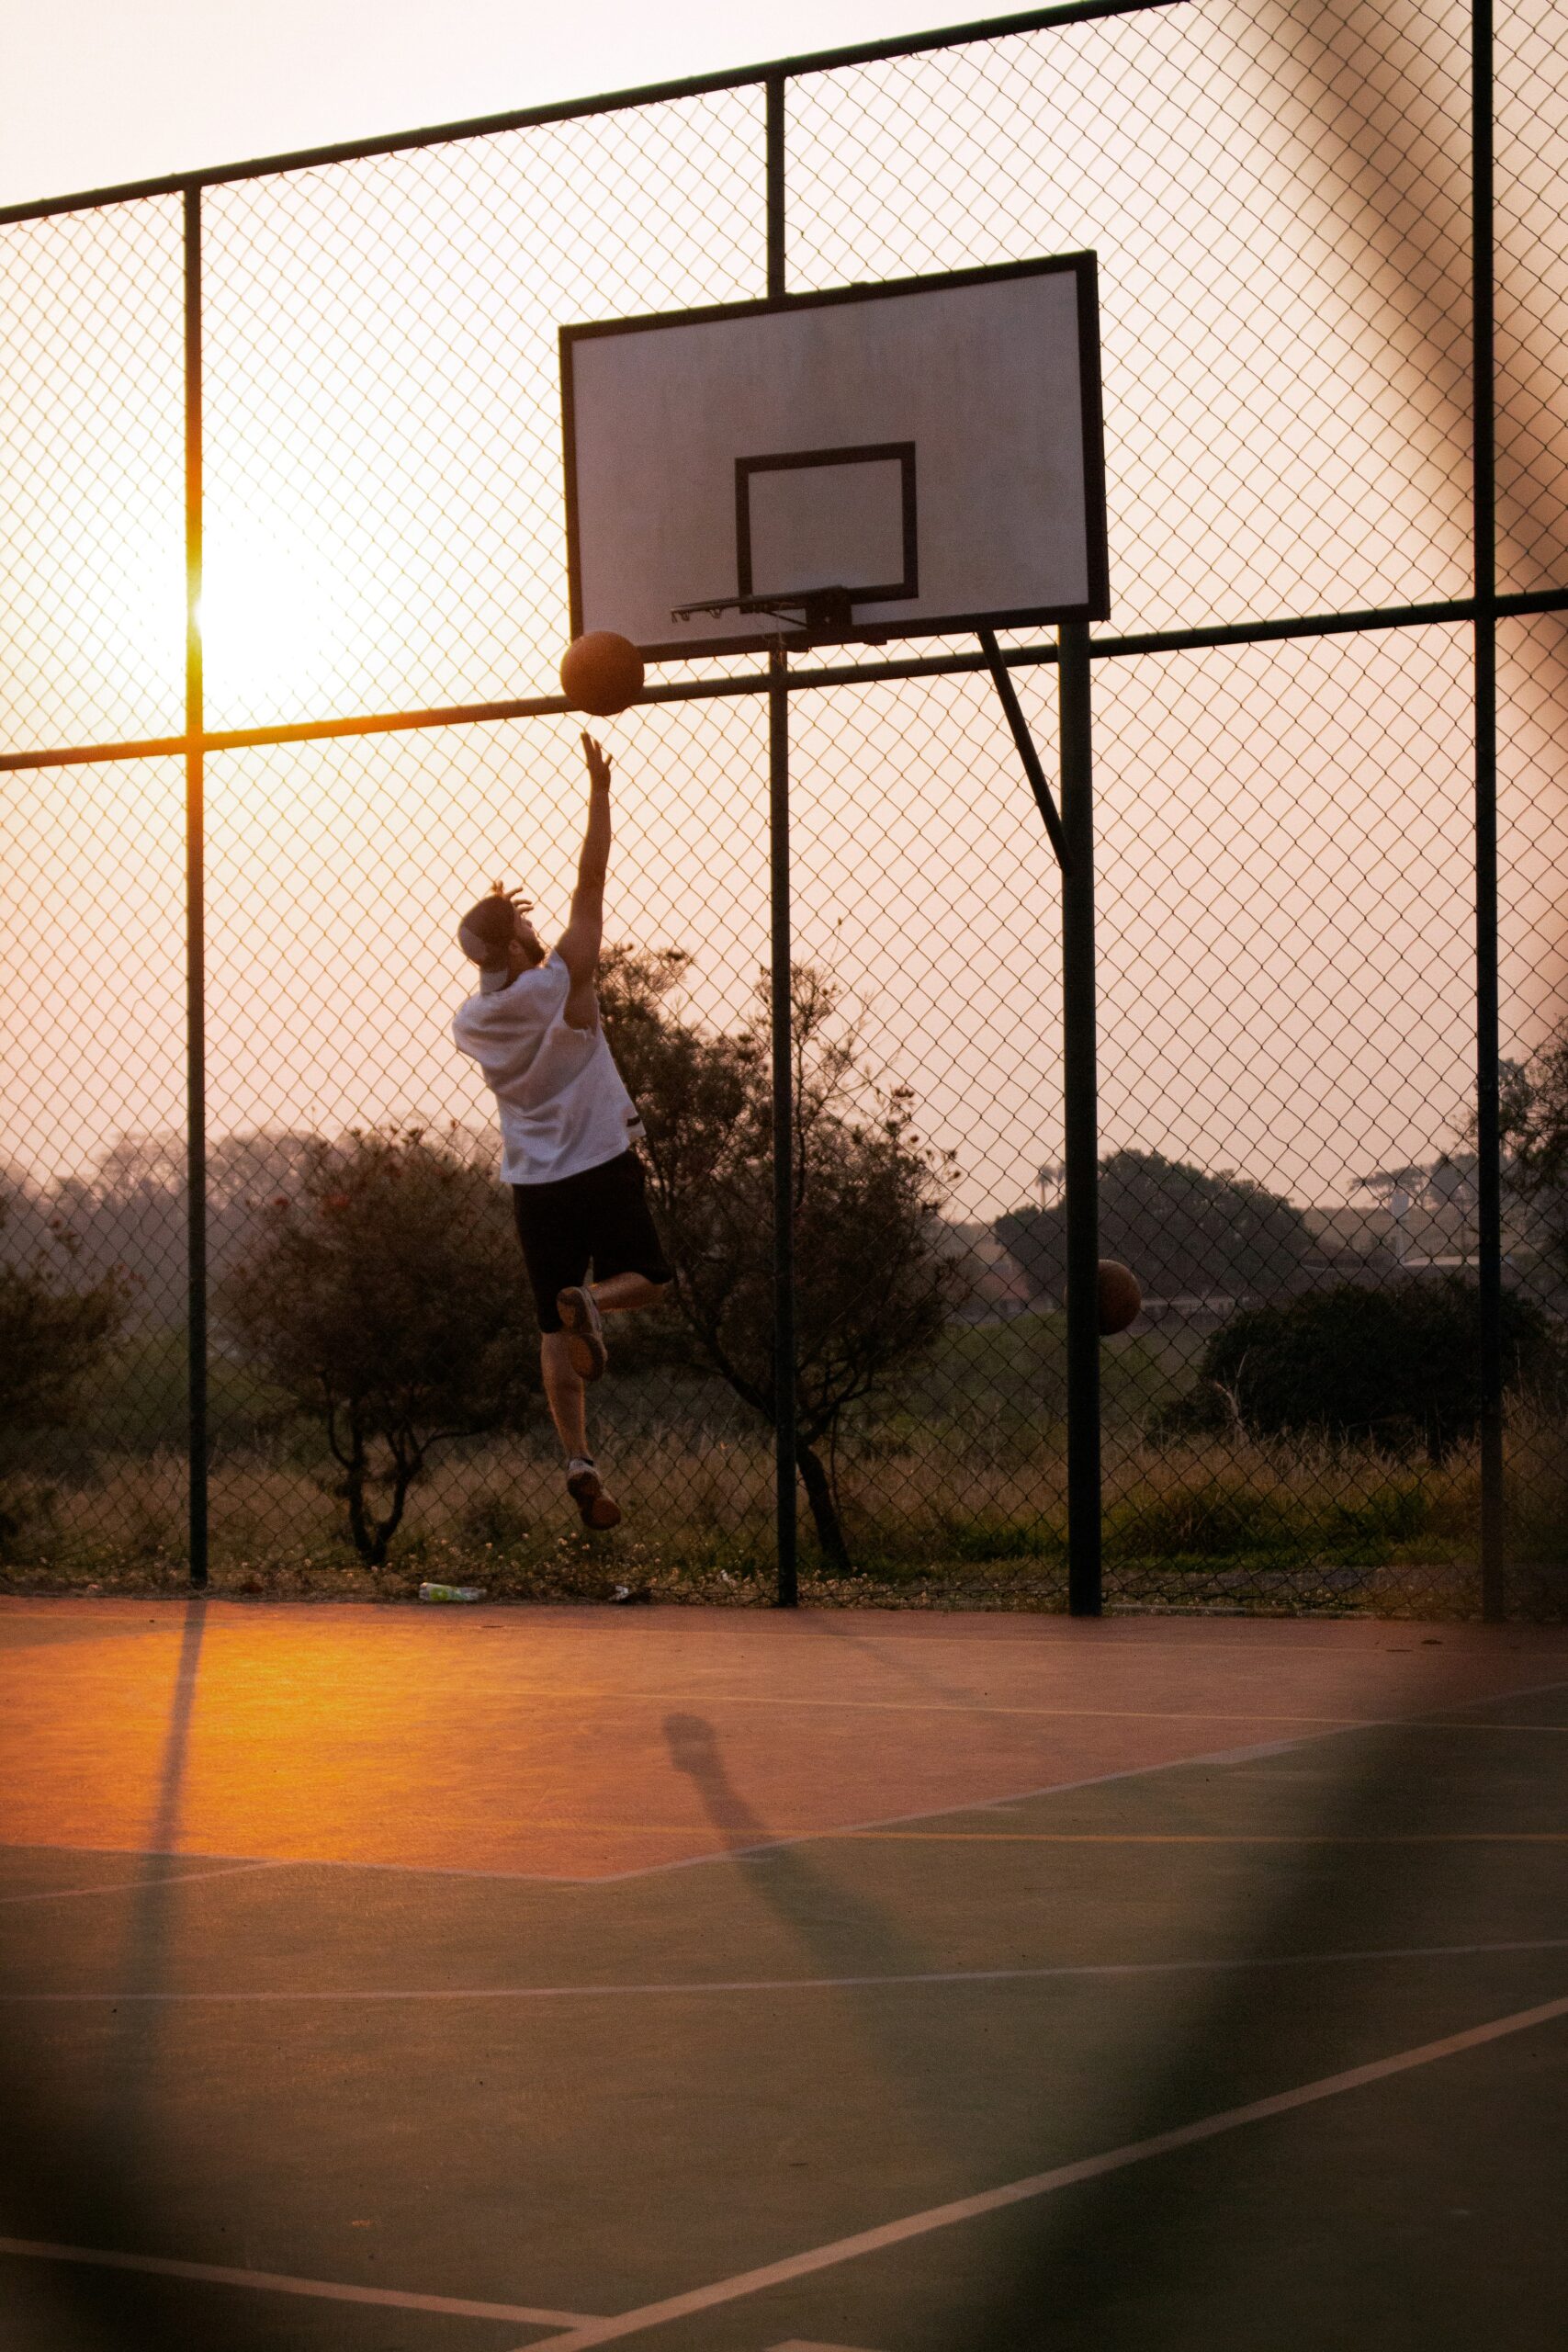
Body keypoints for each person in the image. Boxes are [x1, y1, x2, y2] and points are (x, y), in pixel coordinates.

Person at [452, 732, 672, 1530]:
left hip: (531, 1182)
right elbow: (591, 884)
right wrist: (600, 794)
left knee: (552, 1326)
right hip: (599, 1162)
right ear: (517, 945)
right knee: (647, 1283)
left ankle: (578, 1458)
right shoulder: (565, 984)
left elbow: (541, 927)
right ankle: (597, 1301)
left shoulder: (472, 1021)